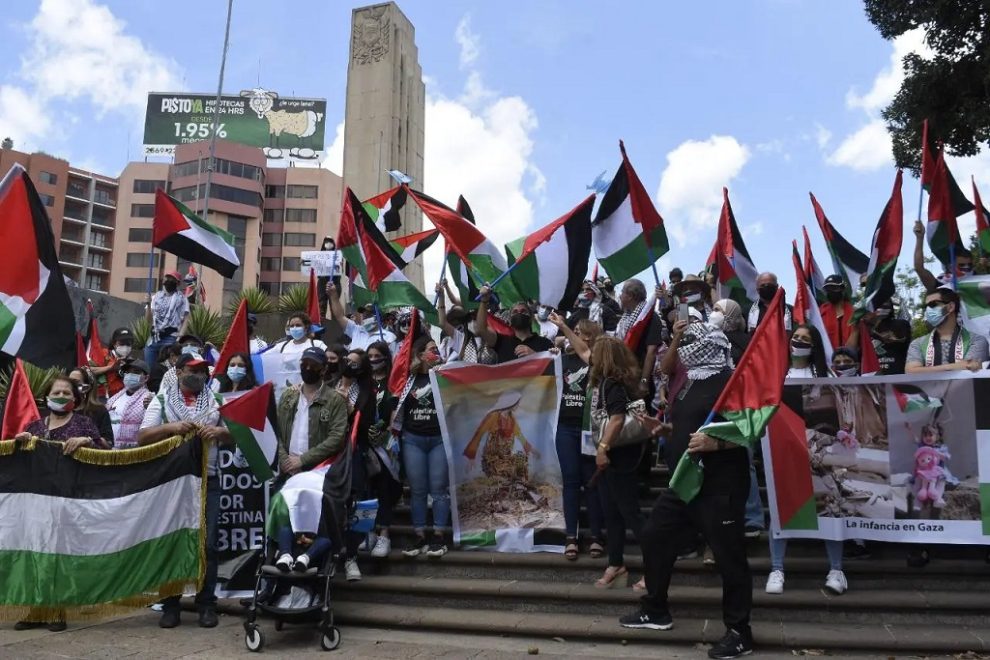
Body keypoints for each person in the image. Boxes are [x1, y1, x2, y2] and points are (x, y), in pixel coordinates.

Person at [619, 317, 754, 660]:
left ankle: (740, 631)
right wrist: (665, 430)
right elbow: (688, 424)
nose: (684, 348)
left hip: (720, 486)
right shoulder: (689, 381)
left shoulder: (732, 380)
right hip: (683, 482)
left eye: (691, 341)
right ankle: (656, 609)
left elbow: (754, 429)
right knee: (653, 535)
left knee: (729, 558)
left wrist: (717, 444)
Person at [137, 353, 231, 629]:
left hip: (207, 479)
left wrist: (219, 433)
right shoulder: (163, 399)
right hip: (174, 482)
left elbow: (235, 436)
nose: (199, 375)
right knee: (173, 540)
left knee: (208, 543)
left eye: (203, 371)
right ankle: (171, 604)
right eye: (193, 370)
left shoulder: (217, 401)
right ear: (178, 372)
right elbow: (143, 435)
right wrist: (172, 427)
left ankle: (206, 604)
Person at [12, 376, 104, 632]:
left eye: (66, 392)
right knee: (35, 554)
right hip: (37, 502)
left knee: (58, 556)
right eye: (56, 392)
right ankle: (36, 609)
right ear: (46, 396)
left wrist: (86, 442)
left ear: (76, 399)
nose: (61, 396)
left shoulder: (84, 424)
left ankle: (57, 609)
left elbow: (106, 452)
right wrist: (18, 445)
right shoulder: (35, 426)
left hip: (69, 501)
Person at [589, 336, 646, 589]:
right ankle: (615, 563)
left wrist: (602, 448)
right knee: (612, 511)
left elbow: (617, 419)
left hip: (618, 456)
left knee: (629, 512)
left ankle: (654, 565)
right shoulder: (618, 382)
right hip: (620, 454)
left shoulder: (611, 384)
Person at [549, 312, 605, 560]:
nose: (573, 338)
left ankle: (596, 536)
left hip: (589, 429)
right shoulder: (561, 360)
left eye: (580, 334)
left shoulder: (598, 360)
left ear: (591, 338)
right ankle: (571, 536)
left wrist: (563, 327)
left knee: (591, 484)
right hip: (565, 429)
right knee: (570, 482)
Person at [392, 336, 451, 558]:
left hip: (439, 439)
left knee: (438, 489)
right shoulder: (409, 380)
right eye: (431, 349)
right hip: (413, 439)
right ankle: (419, 535)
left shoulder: (445, 375)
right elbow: (397, 404)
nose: (435, 352)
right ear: (420, 355)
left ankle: (438, 536)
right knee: (417, 490)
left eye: (437, 349)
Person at [333, 348, 377, 580]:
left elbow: (367, 422)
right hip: (330, 455)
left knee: (358, 504)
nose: (348, 365)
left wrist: (349, 409)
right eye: (346, 361)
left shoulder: (366, 391)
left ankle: (351, 556)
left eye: (354, 363)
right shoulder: (330, 385)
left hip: (355, 453)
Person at [363, 341, 403, 559]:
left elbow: (396, 409)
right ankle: (366, 531)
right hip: (365, 445)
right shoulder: (363, 382)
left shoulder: (393, 383)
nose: (373, 359)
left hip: (387, 446)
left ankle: (384, 534)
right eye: (369, 355)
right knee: (366, 491)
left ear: (386, 358)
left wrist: (387, 428)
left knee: (386, 489)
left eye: (377, 355)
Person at [905, 287, 989, 373]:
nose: (928, 310)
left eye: (933, 305)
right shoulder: (917, 343)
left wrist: (923, 370)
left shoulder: (976, 340)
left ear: (950, 307)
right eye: (926, 306)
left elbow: (971, 369)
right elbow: (911, 372)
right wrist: (957, 366)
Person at [475, 285, 553, 363]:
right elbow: (481, 329)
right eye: (515, 312)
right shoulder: (501, 341)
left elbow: (552, 367)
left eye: (523, 311)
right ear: (510, 319)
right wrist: (484, 301)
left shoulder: (545, 343)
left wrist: (534, 356)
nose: (519, 313)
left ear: (531, 317)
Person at [616, 279, 664, 404]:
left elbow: (651, 352)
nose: (620, 296)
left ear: (630, 296)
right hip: (626, 376)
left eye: (622, 292)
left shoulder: (650, 318)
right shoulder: (624, 319)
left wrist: (644, 381)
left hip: (642, 381)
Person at [326, 282, 397, 352]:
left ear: (378, 316)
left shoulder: (389, 337)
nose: (365, 315)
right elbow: (340, 316)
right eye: (363, 313)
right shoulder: (356, 330)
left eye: (369, 314)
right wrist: (333, 296)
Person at [144, 271, 190, 367]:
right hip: (154, 338)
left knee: (168, 369)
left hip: (170, 337)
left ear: (178, 283)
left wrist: (180, 337)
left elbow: (186, 319)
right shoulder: (155, 297)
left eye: (172, 279)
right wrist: (148, 304)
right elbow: (148, 320)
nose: (169, 281)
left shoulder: (182, 299)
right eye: (167, 278)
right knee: (149, 369)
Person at [106, 359, 152, 449]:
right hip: (110, 450)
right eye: (128, 372)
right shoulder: (115, 398)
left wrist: (151, 406)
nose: (130, 375)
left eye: (136, 372)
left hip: (133, 452)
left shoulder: (149, 399)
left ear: (146, 378)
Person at [68, 367, 114, 448]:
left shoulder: (99, 410)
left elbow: (109, 443)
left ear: (87, 387)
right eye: (69, 382)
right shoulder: (62, 409)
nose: (71, 386)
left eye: (76, 382)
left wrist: (88, 440)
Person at [89, 327, 135, 397]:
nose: (125, 347)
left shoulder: (133, 362)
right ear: (114, 344)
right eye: (122, 344)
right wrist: (110, 368)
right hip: (101, 396)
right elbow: (87, 370)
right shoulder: (102, 354)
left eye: (128, 344)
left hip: (122, 397)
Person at [819, 275, 855, 348]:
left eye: (833, 288)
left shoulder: (854, 312)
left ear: (842, 289)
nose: (830, 291)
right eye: (827, 289)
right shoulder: (821, 313)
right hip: (828, 356)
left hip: (852, 356)